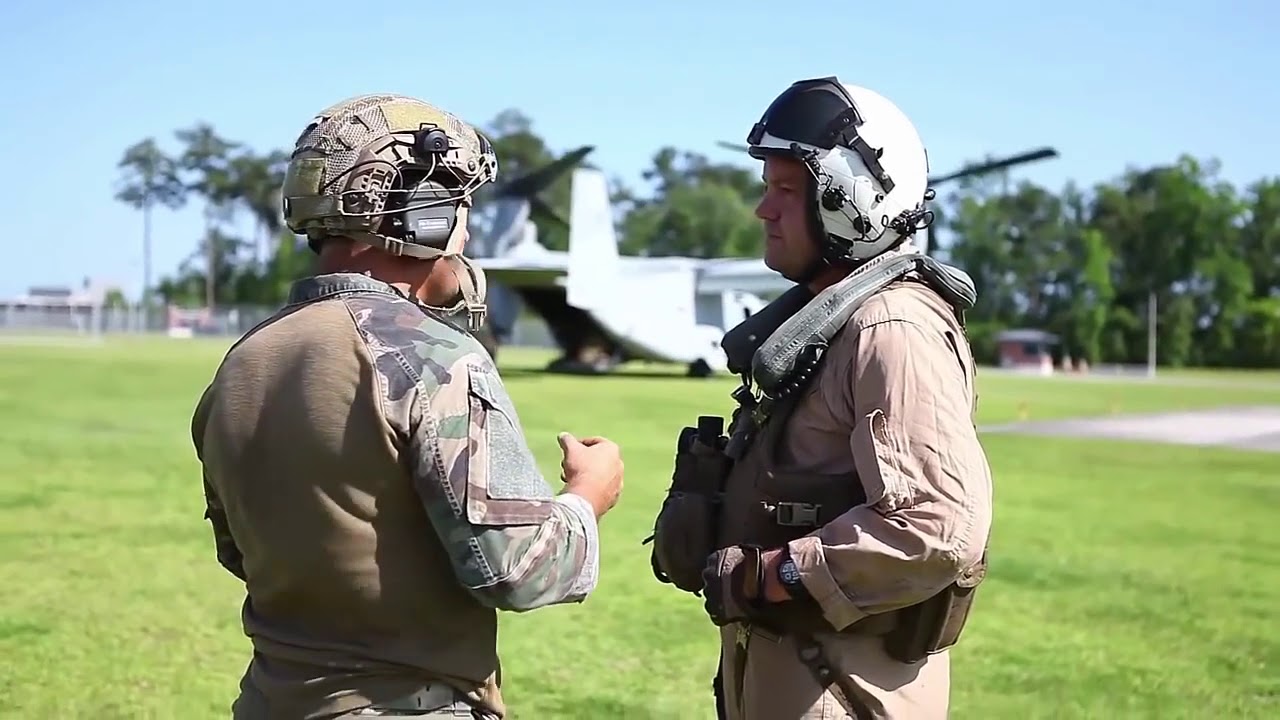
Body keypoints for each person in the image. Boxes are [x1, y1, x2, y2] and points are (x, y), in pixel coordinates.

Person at [190, 93, 625, 720]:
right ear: (418, 212)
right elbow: (519, 569)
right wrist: (588, 498)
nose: (466, 231)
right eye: (459, 205)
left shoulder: (245, 359)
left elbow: (238, 552)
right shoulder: (431, 355)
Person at [647, 77, 994, 719]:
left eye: (784, 190)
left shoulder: (893, 329)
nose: (764, 210)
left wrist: (773, 574)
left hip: (845, 692)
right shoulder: (828, 324)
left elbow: (939, 525)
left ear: (850, 201)